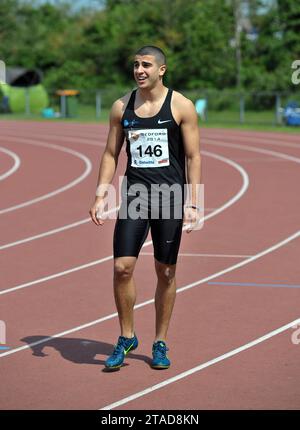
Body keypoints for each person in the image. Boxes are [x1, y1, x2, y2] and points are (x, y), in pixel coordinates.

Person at [89, 45, 201, 370]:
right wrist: (100, 194)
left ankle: (160, 341)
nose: (139, 70)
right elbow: (111, 154)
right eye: (136, 64)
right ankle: (127, 336)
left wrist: (193, 202)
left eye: (146, 65)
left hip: (169, 197)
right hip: (136, 197)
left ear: (161, 70)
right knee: (122, 268)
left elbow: (194, 156)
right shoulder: (121, 107)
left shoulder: (181, 106)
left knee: (165, 272)